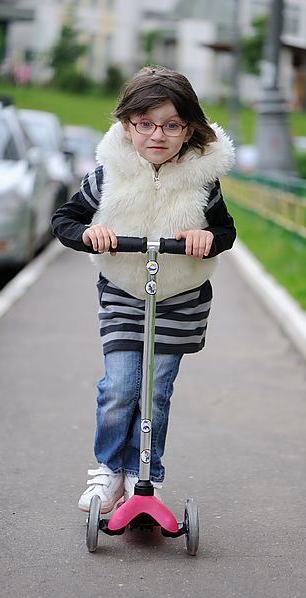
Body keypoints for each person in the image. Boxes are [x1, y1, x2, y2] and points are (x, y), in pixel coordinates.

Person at [51, 66, 236, 513]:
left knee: (155, 390)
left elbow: (225, 231)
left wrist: (205, 238)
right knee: (119, 385)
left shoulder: (201, 181)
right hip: (123, 291)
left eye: (172, 125)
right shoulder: (106, 175)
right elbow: (65, 220)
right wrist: (89, 235)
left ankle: (143, 475)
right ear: (127, 124)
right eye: (146, 124)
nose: (158, 135)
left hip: (179, 298)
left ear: (189, 128)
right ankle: (108, 470)